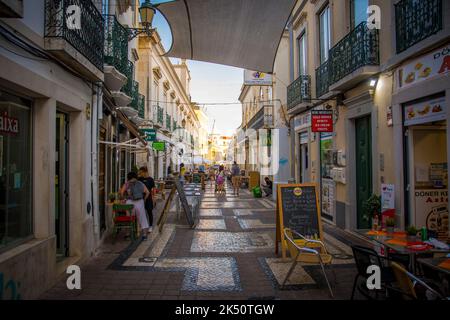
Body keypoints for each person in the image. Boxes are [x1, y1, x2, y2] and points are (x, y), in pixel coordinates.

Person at [120, 172, 150, 240]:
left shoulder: (127, 184)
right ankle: (144, 234)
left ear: (128, 177)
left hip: (130, 202)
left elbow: (121, 192)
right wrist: (144, 200)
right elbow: (147, 192)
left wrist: (124, 198)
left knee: (129, 217)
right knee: (142, 217)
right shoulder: (140, 183)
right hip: (140, 202)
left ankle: (128, 234)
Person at [138, 166, 156, 232]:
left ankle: (150, 226)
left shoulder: (150, 179)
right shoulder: (139, 179)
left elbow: (153, 189)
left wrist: (154, 198)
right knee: (140, 212)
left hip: (148, 198)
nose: (140, 173)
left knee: (149, 212)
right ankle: (141, 226)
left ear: (145, 172)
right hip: (140, 197)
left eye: (141, 172)